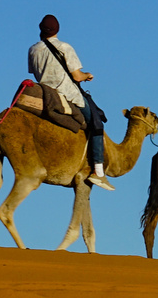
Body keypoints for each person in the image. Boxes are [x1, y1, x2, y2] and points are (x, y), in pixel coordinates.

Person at [28, 14, 114, 191]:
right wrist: (87, 75)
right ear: (57, 30)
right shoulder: (65, 47)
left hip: (45, 93)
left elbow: (35, 73)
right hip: (66, 93)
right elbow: (76, 76)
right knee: (97, 123)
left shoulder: (33, 50)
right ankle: (98, 171)